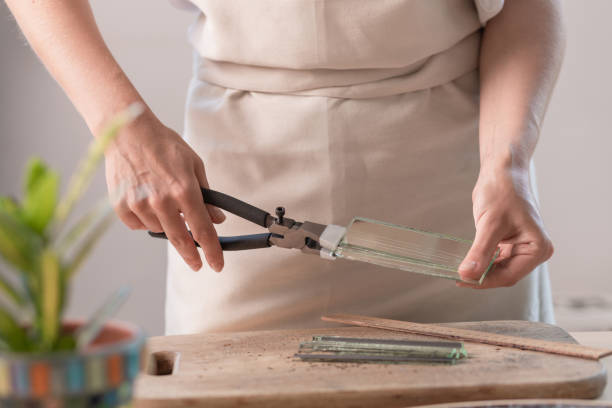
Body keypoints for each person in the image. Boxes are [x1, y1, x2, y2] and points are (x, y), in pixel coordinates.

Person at [5, 0, 564, 334]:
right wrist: (122, 129)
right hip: (238, 173)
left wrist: (506, 164)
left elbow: (523, 4)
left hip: (454, 179)